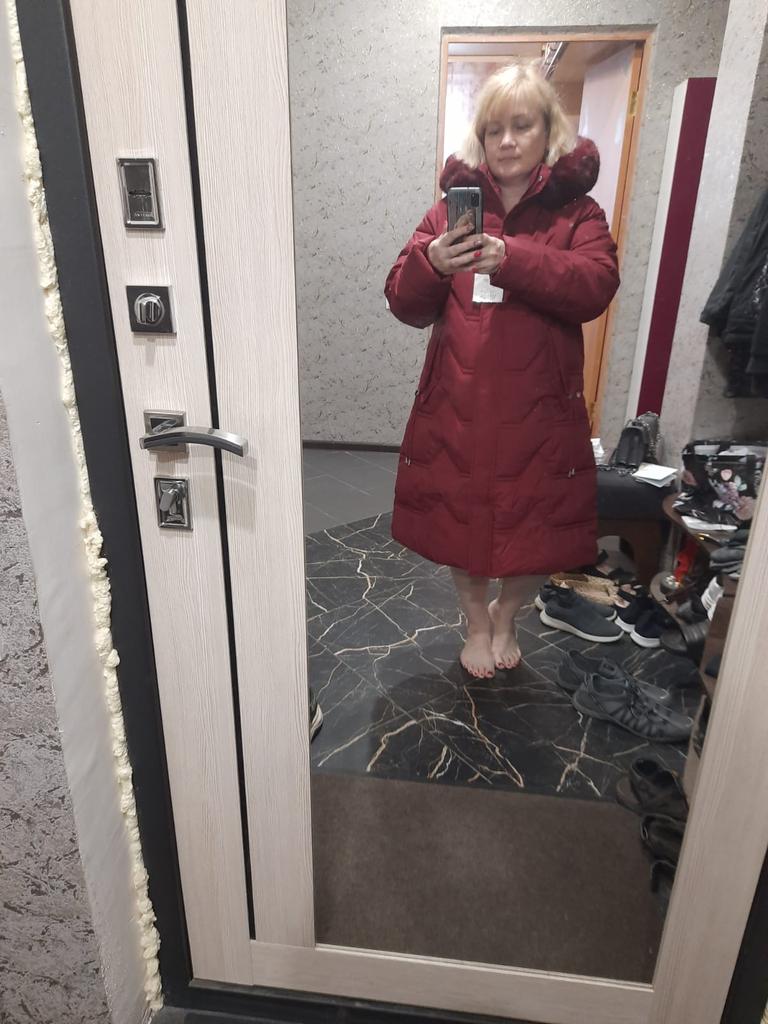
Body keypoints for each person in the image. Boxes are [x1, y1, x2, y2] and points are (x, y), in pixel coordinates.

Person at [385, 60, 620, 680]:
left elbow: (595, 286)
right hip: (458, 398)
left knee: (540, 527)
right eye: (495, 129)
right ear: (481, 138)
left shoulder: (579, 215)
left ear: (549, 132)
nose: (508, 141)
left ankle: (507, 615)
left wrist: (511, 258)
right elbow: (404, 304)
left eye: (522, 126)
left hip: (542, 406)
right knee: (459, 522)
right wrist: (431, 263)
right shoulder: (448, 213)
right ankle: (475, 623)